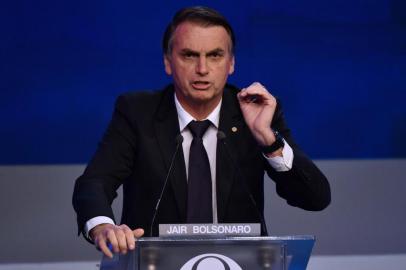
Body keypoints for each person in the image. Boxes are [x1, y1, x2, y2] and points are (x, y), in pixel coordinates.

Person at [72, 6, 330, 258]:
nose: (203, 69)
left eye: (215, 55)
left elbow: (315, 198)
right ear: (168, 62)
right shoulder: (137, 112)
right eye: (189, 55)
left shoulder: (254, 113)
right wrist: (103, 226)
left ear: (231, 64)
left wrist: (268, 140)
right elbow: (95, 183)